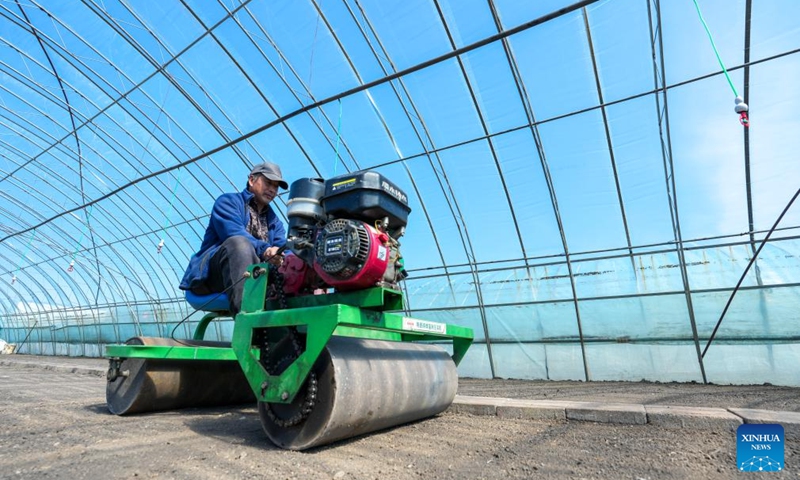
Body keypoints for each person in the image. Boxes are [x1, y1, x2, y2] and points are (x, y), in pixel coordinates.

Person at [180, 161, 288, 314]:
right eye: (268, 182)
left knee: (293, 264)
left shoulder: (275, 222)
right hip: (214, 276)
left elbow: (282, 245)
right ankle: (247, 322)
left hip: (256, 276)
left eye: (276, 186)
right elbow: (234, 233)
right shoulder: (228, 202)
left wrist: (281, 255)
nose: (272, 189)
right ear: (251, 180)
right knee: (239, 244)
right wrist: (266, 250)